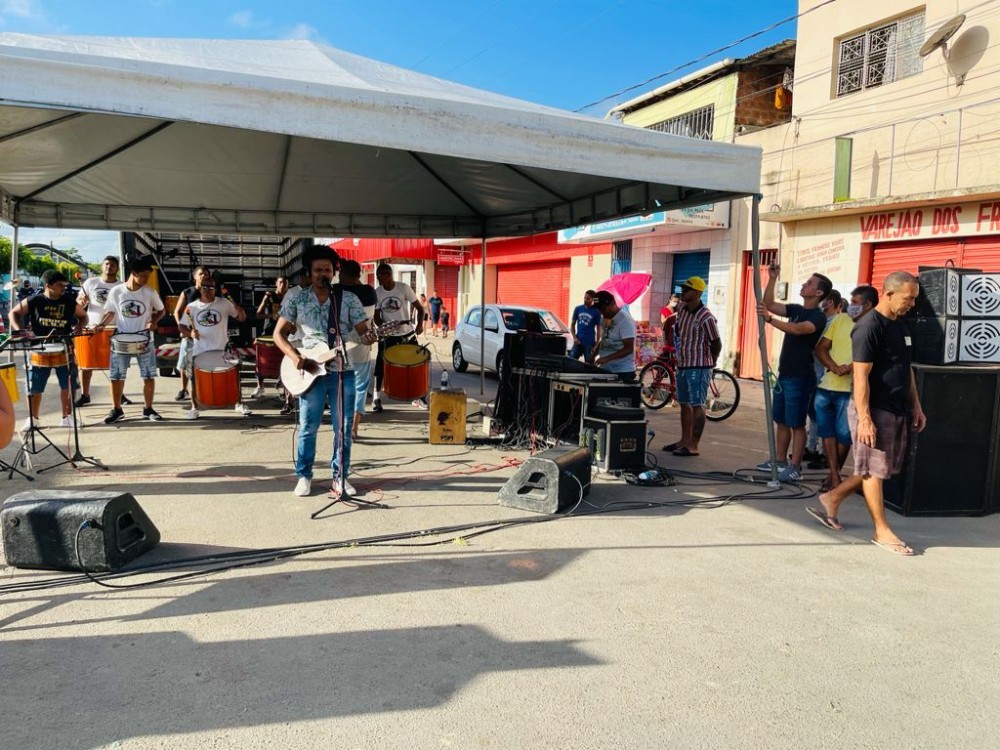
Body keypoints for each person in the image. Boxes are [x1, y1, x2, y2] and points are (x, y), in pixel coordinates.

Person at [809, 272, 926, 556]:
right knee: (874, 470)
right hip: (874, 408)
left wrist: (917, 405)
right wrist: (864, 418)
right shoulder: (869, 327)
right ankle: (881, 530)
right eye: (908, 298)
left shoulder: (901, 324)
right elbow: (860, 376)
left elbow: (906, 368)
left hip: (898, 407)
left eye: (914, 299)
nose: (912, 304)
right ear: (889, 294)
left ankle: (832, 497)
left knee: (878, 468)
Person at [273, 246, 375, 497]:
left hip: (343, 371)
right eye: (318, 270)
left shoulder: (347, 299)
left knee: (344, 428)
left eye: (327, 270)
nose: (323, 274)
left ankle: (340, 477)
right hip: (311, 371)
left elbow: (363, 331)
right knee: (309, 427)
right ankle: (304, 476)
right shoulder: (297, 298)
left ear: (334, 272)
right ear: (309, 272)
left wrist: (370, 336)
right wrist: (295, 357)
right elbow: (278, 334)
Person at [756, 266, 832, 482]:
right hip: (785, 374)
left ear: (819, 293)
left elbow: (799, 329)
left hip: (801, 377)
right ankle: (780, 460)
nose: (804, 285)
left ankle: (795, 466)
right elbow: (769, 304)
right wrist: (772, 279)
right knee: (781, 419)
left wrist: (770, 320)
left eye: (809, 283)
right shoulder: (796, 309)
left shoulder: (818, 317)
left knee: (797, 423)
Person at [8, 269, 87, 431]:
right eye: (59, 285)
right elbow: (13, 313)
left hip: (64, 347)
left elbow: (83, 316)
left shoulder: (68, 301)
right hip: (39, 347)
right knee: (34, 385)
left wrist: (79, 326)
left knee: (68, 384)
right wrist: (19, 330)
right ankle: (33, 419)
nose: (63, 288)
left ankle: (67, 417)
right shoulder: (35, 300)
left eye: (64, 285)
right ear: (48, 286)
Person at [99, 256, 166, 423]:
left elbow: (162, 310)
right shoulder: (117, 291)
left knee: (148, 375)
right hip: (121, 338)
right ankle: (116, 409)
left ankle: (148, 409)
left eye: (147, 276)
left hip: (144, 339)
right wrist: (100, 325)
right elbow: (110, 312)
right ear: (134, 273)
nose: (146, 280)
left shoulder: (149, 292)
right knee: (116, 376)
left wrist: (154, 321)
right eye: (143, 276)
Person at [661, 277, 720, 457]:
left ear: (698, 293)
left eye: (687, 289)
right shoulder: (681, 309)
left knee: (697, 404)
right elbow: (678, 330)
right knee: (684, 403)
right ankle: (684, 440)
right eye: (683, 289)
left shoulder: (706, 317)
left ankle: (693, 445)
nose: (683, 292)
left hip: (699, 365)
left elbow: (716, 343)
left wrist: (712, 360)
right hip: (684, 363)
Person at [811, 290, 863, 493]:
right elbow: (821, 348)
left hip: (850, 389)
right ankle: (834, 475)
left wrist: (851, 367)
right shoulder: (840, 320)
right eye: (852, 301)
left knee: (844, 436)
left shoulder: (872, 325)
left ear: (868, 305)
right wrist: (833, 367)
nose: (852, 306)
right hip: (827, 386)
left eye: (856, 302)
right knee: (827, 432)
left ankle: (833, 475)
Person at [178, 279, 248, 419]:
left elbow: (241, 318)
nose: (208, 290)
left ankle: (239, 404)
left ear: (215, 289)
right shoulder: (192, 307)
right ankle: (194, 407)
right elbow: (181, 326)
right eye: (205, 287)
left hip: (222, 348)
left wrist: (240, 311)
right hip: (200, 350)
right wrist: (190, 333)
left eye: (211, 288)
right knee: (194, 380)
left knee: (235, 377)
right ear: (200, 289)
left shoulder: (224, 303)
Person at [372, 262, 424, 411]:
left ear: (389, 275)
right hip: (387, 335)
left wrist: (419, 325)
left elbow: (420, 308)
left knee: (417, 364)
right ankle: (376, 398)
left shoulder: (403, 288)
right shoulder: (378, 292)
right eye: (377, 276)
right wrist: (386, 328)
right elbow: (376, 317)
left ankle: (420, 397)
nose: (379, 279)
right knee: (381, 365)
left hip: (407, 333)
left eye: (381, 276)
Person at [75, 255, 124, 407]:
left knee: (117, 365)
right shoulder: (91, 282)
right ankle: (85, 395)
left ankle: (120, 395)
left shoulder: (121, 286)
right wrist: (82, 302)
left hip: (114, 328)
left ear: (117, 268)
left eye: (113, 264)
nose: (109, 267)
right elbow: (78, 303)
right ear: (102, 266)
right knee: (86, 364)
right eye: (107, 264)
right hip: (91, 327)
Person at [337, 260, 377, 440]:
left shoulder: (336, 291)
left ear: (342, 274)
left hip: (338, 347)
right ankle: (354, 428)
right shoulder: (369, 292)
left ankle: (342, 426)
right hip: (362, 345)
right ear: (359, 274)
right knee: (360, 387)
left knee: (340, 387)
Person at [804, 290, 844, 468]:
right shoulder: (822, 321)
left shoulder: (836, 322)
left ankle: (824, 454)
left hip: (827, 377)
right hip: (814, 374)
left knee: (825, 416)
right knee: (813, 414)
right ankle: (811, 447)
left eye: (824, 300)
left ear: (831, 303)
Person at [173, 265, 212, 402]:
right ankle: (184, 390)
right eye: (201, 274)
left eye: (206, 274)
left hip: (207, 335)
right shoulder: (187, 292)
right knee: (185, 362)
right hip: (190, 334)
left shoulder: (212, 292)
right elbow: (177, 311)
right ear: (195, 276)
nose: (204, 276)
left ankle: (206, 390)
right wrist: (182, 328)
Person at [251, 275, 290, 398]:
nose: (283, 286)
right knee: (262, 360)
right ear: (276, 284)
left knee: (283, 360)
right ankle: (260, 386)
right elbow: (258, 315)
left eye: (285, 283)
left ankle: (283, 383)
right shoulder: (269, 296)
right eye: (281, 283)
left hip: (284, 333)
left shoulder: (290, 298)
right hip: (268, 332)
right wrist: (271, 316)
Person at [592, 290, 636, 383]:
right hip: (606, 369)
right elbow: (605, 340)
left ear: (612, 304)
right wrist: (593, 356)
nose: (601, 312)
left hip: (622, 371)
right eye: (599, 310)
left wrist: (607, 358)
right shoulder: (604, 319)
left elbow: (628, 348)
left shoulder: (625, 321)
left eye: (603, 309)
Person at [569, 290, 602, 363]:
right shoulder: (578, 309)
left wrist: (596, 345)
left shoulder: (596, 312)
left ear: (592, 299)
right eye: (584, 298)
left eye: (588, 298)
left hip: (589, 342)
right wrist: (574, 338)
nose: (585, 300)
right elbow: (572, 324)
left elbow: (598, 329)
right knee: (571, 361)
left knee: (589, 363)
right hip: (578, 340)